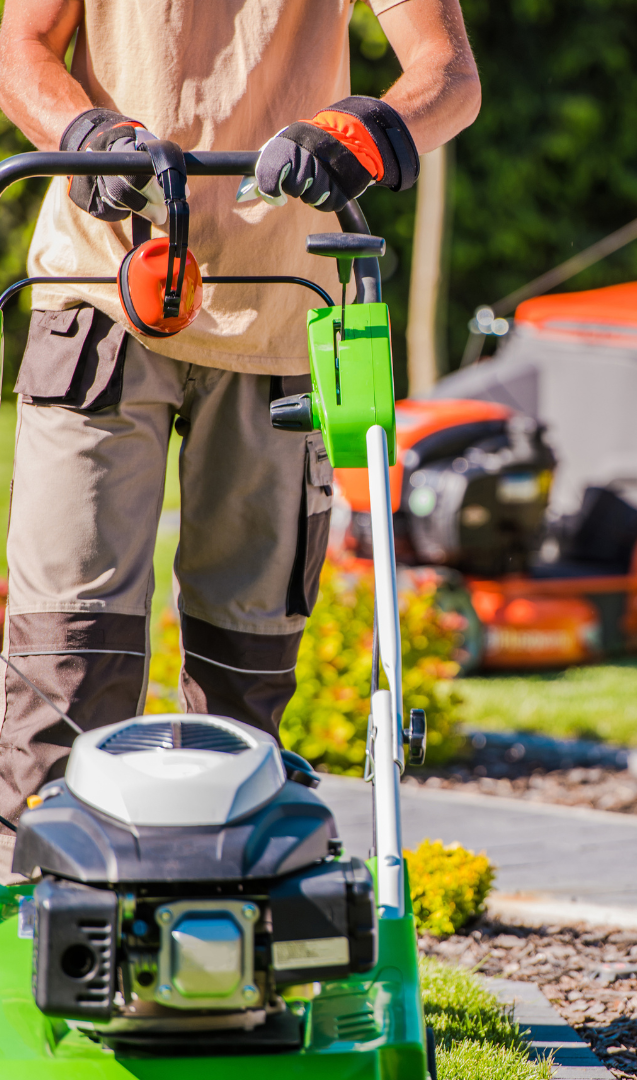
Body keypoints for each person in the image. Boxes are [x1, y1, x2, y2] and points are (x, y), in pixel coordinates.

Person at [0, 0, 480, 868]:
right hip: (104, 291)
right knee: (66, 656)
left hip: (283, 309)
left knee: (244, 678)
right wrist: (85, 132)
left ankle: (230, 928)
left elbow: (448, 76)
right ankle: (33, 918)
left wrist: (365, 132)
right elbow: (18, 46)